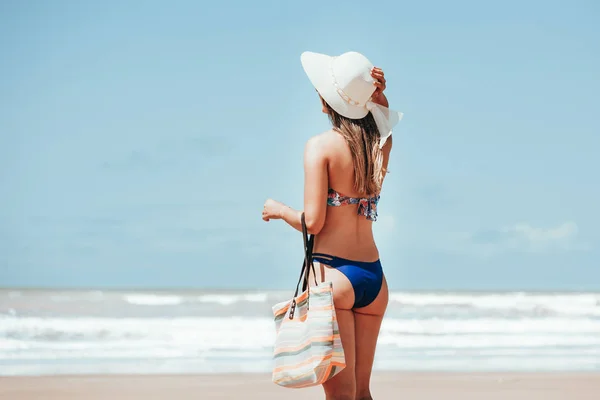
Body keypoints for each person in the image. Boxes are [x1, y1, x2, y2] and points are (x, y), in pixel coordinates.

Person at [262, 51, 402, 400]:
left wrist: (279, 210)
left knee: (341, 396)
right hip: (373, 278)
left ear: (328, 100)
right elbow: (383, 124)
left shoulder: (320, 147)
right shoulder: (379, 147)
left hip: (334, 278)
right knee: (362, 393)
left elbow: (314, 221)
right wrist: (379, 99)